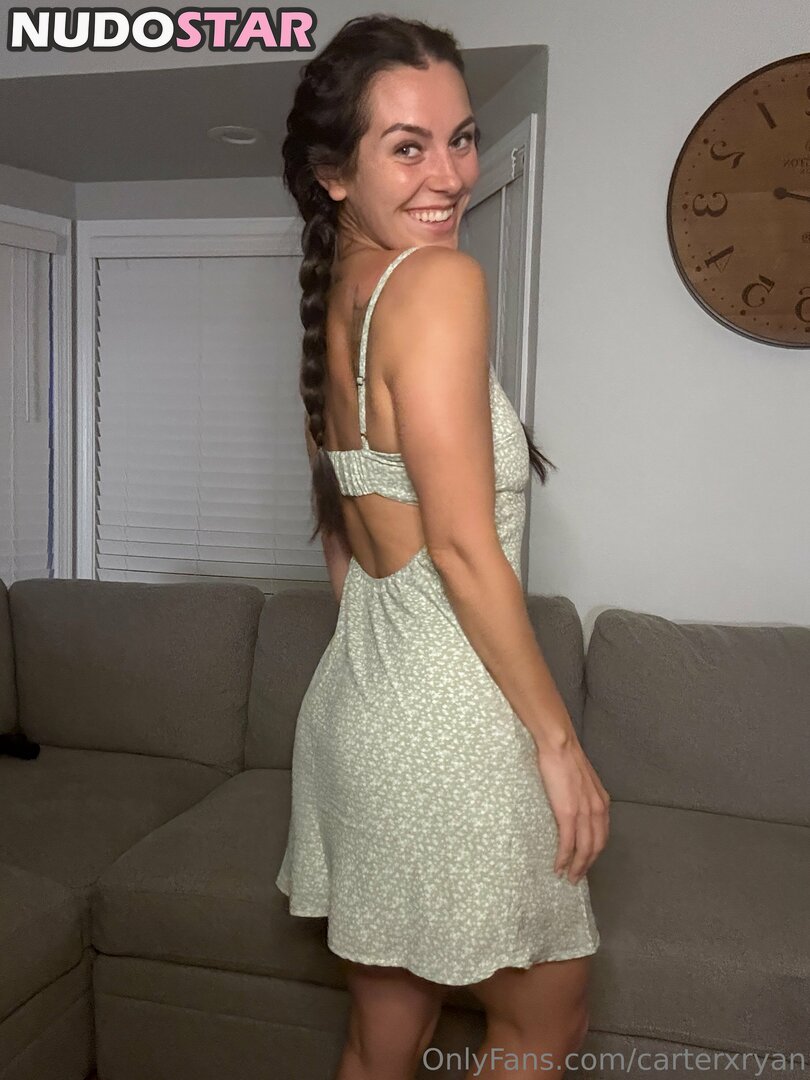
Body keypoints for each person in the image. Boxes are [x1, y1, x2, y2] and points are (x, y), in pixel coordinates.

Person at [275, 14, 610, 1080]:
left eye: (461, 138)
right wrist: (558, 745)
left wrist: (391, 670)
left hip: (361, 714)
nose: (452, 174)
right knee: (544, 1023)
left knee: (381, 1045)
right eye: (408, 146)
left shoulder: (337, 307)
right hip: (452, 729)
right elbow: (463, 550)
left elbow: (348, 546)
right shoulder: (436, 283)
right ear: (334, 173)